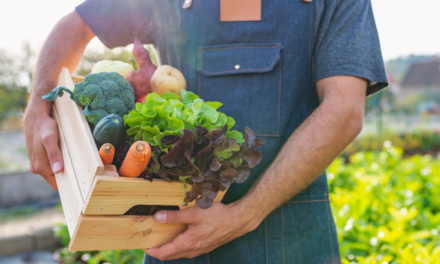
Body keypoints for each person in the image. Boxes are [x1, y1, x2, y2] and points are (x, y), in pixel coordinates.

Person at [24, 0, 388, 263]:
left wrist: (244, 215)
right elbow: (76, 25)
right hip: (175, 241)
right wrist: (37, 109)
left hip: (295, 244)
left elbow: (343, 110)